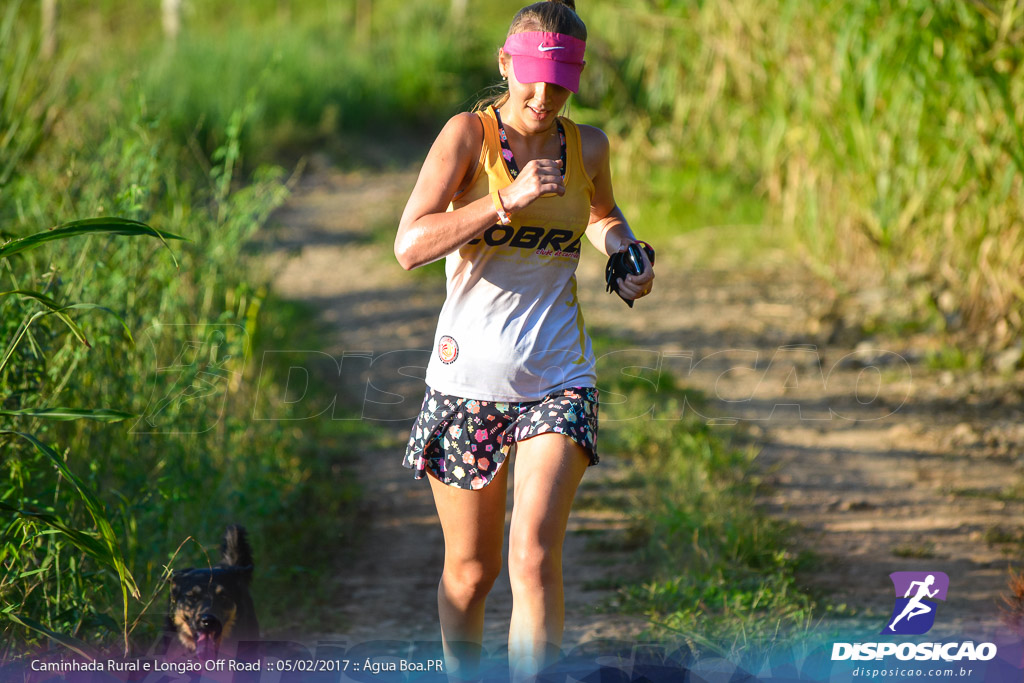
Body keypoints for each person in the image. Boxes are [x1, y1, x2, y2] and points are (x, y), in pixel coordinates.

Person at [394, 1, 654, 679]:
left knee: (533, 556)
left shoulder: (586, 146)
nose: (544, 97)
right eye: (532, 78)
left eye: (561, 83)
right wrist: (503, 202)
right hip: (465, 386)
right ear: (505, 65)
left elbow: (599, 213)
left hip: (558, 378)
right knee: (471, 573)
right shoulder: (467, 137)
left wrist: (624, 250)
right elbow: (409, 244)